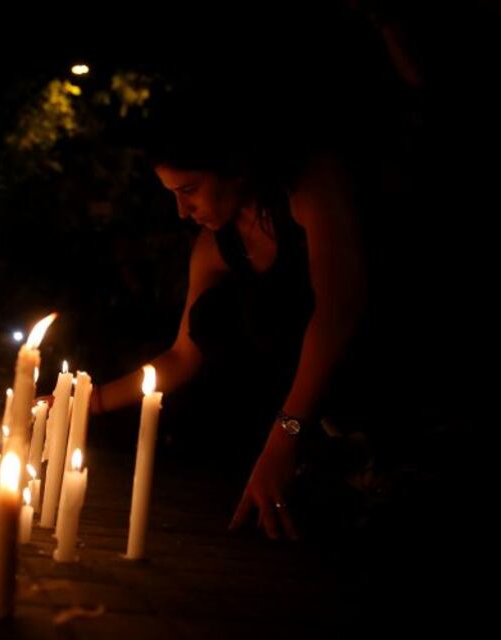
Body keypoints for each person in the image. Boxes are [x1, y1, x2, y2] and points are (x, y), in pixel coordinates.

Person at [89, 103, 370, 541]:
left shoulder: (308, 190)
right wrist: (89, 401)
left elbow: (337, 312)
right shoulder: (214, 248)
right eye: (172, 194)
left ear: (235, 169)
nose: (182, 210)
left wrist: (283, 440)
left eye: (190, 189)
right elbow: (182, 356)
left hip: (373, 369)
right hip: (296, 418)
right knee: (212, 317)